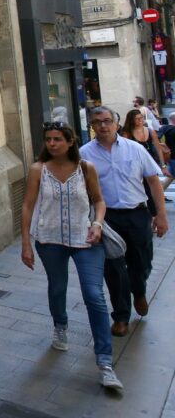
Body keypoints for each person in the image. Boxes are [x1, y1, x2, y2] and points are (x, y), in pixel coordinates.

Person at [20, 121, 123, 390]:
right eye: (48, 139)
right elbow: (28, 206)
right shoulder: (38, 170)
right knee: (57, 288)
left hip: (86, 238)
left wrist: (98, 223)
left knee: (94, 295)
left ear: (70, 141)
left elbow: (99, 201)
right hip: (49, 239)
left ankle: (105, 361)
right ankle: (60, 325)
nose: (52, 144)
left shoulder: (85, 168)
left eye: (57, 139)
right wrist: (26, 244)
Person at [82, 107, 169, 336]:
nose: (103, 126)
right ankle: (121, 316)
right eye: (97, 122)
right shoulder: (84, 154)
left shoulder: (135, 149)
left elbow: (153, 181)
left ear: (116, 123)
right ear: (92, 125)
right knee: (113, 268)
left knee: (142, 262)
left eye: (107, 121)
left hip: (137, 214)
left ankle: (138, 290)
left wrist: (161, 214)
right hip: (107, 217)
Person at [120, 109, 165, 178]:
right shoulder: (127, 133)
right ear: (131, 120)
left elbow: (158, 149)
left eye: (141, 117)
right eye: (137, 118)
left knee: (152, 186)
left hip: (150, 164)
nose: (140, 120)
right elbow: (124, 152)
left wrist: (163, 165)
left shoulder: (150, 131)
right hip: (135, 166)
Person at [159, 113, 175, 196]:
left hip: (169, 156)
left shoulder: (164, 128)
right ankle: (157, 195)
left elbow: (157, 139)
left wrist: (164, 147)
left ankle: (158, 194)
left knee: (170, 177)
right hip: (172, 157)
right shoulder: (172, 129)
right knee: (170, 177)